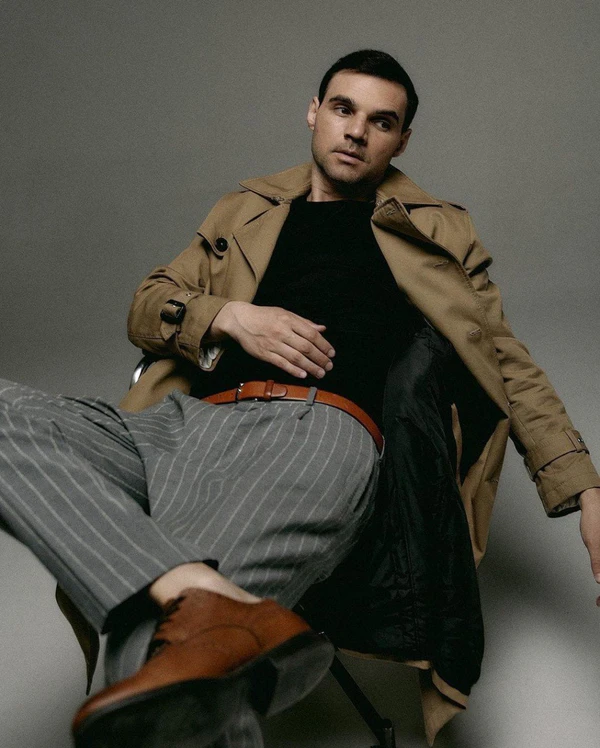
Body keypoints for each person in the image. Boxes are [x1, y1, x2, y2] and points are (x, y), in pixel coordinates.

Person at [1, 49, 599, 748]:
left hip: (312, 438)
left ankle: (194, 608)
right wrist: (229, 317)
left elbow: (505, 363)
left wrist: (585, 490)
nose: (357, 131)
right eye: (343, 109)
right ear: (315, 113)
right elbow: (149, 303)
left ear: (402, 141)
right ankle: (196, 591)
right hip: (181, 425)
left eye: (381, 122)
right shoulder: (246, 208)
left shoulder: (438, 230)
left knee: (157, 667)